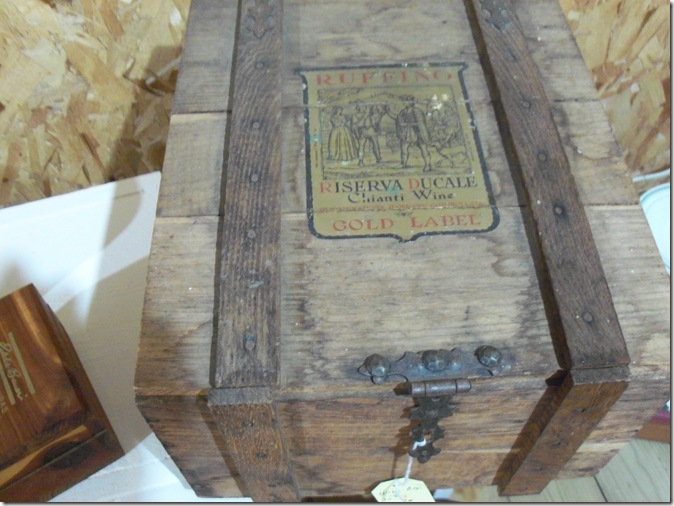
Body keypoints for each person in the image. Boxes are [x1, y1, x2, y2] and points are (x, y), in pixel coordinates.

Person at [396, 95, 432, 171]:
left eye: (405, 101)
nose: (404, 103)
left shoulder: (416, 111)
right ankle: (403, 164)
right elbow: (399, 119)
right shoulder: (403, 112)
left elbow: (420, 123)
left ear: (410, 102)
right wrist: (402, 124)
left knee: (423, 149)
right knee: (403, 148)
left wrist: (409, 124)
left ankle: (427, 165)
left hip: (418, 132)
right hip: (407, 133)